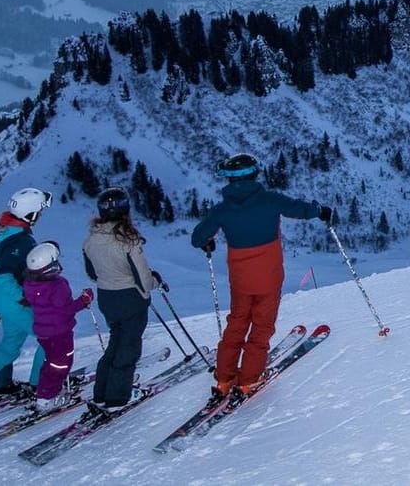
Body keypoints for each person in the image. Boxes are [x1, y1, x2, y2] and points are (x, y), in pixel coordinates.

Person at [191, 152, 330, 399]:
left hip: (241, 280)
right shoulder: (270, 200)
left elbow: (198, 237)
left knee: (237, 323)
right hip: (269, 276)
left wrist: (207, 243)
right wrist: (319, 210)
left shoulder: (222, 210)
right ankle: (249, 379)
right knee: (261, 326)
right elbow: (298, 209)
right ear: (255, 174)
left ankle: (224, 378)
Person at [82, 187, 165, 414]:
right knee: (128, 347)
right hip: (130, 299)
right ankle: (118, 397)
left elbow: (92, 273)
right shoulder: (128, 241)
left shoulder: (91, 239)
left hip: (107, 298)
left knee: (115, 343)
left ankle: (101, 394)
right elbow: (143, 280)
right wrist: (156, 281)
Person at [0, 187, 51, 402]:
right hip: (18, 302)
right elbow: (4, 275)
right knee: (52, 338)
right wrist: (23, 296)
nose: (40, 215)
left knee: (11, 341)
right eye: (39, 211)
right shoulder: (20, 241)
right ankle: (42, 387)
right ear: (29, 214)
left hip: (4, 301)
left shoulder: (4, 230)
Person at [21, 241, 93, 412]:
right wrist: (84, 300)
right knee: (61, 364)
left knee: (51, 362)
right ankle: (47, 398)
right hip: (60, 332)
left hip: (44, 333)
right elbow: (66, 309)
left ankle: (46, 391)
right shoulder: (57, 285)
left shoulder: (30, 284)